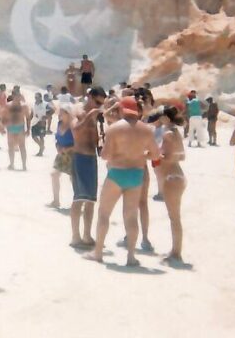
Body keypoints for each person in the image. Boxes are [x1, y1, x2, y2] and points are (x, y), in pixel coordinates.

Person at [83, 97, 160, 266]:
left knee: (104, 213)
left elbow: (105, 155)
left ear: (121, 110)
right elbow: (155, 154)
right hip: (136, 174)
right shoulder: (147, 130)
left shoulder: (115, 129)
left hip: (117, 173)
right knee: (131, 216)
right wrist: (140, 155)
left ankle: (97, 253)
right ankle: (131, 257)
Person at [69, 87, 106, 248]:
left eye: (101, 103)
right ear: (89, 97)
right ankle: (75, 236)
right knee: (78, 198)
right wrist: (88, 117)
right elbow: (75, 130)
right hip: (80, 157)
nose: (99, 105)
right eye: (97, 102)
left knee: (91, 199)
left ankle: (87, 235)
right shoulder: (78, 110)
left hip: (91, 158)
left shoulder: (96, 115)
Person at [157, 106, 188, 266]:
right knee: (175, 217)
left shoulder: (168, 134)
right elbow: (181, 156)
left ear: (166, 118)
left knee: (174, 217)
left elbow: (165, 157)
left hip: (170, 177)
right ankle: (175, 250)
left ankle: (176, 253)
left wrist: (155, 157)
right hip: (179, 175)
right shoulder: (177, 133)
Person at [50, 101, 75, 209]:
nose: (59, 115)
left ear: (68, 113)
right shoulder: (59, 124)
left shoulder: (73, 125)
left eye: (61, 113)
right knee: (54, 174)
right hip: (61, 154)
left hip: (72, 155)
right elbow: (57, 138)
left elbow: (79, 142)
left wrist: (68, 148)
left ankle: (77, 202)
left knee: (73, 179)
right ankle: (56, 201)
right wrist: (58, 147)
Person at [3, 92, 30, 171]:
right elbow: (4, 117)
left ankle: (24, 165)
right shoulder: (8, 106)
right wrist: (4, 126)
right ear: (13, 96)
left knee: (22, 146)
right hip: (10, 128)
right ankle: (11, 164)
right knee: (11, 147)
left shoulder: (24, 106)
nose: (17, 97)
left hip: (20, 127)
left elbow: (28, 118)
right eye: (16, 95)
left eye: (19, 95)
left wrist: (28, 129)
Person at [31, 91, 48, 157]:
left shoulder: (45, 104)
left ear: (40, 97)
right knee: (34, 136)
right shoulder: (33, 104)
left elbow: (52, 110)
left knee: (41, 136)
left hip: (42, 123)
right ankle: (42, 146)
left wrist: (46, 117)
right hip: (34, 122)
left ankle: (40, 152)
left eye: (37, 97)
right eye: (35, 97)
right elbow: (32, 113)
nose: (36, 98)